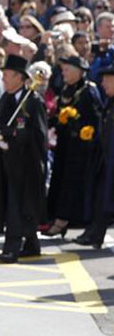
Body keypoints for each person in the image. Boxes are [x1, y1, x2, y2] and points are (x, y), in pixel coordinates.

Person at [0, 55, 48, 263]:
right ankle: (32, 244)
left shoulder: (33, 101)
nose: (4, 79)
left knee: (19, 204)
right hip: (7, 161)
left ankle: (12, 247)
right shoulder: (6, 99)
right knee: (14, 203)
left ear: (20, 77)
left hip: (27, 163)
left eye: (7, 75)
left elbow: (39, 134)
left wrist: (15, 134)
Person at [45, 55, 102, 237]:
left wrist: (78, 123)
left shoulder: (88, 90)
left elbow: (95, 117)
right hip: (64, 145)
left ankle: (64, 220)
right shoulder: (65, 89)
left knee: (74, 184)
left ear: (79, 71)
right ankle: (58, 218)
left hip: (81, 147)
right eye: (63, 70)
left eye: (67, 70)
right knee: (61, 180)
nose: (64, 73)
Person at [75, 66, 114, 249]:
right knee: (101, 198)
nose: (103, 83)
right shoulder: (109, 103)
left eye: (107, 79)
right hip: (105, 160)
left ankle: (95, 233)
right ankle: (95, 233)